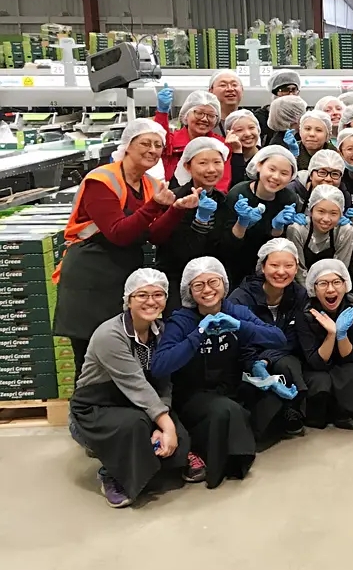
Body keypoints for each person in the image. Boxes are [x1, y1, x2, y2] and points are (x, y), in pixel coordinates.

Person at [151, 258, 294, 488]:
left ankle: (234, 437)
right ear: (189, 291)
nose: (207, 290)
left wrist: (240, 327)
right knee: (226, 410)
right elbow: (160, 365)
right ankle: (215, 452)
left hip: (231, 387)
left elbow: (278, 338)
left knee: (271, 400)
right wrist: (197, 335)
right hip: (194, 395)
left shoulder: (235, 311)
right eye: (198, 285)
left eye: (213, 282)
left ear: (224, 283)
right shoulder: (181, 321)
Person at [69, 269, 203, 508]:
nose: (151, 301)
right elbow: (136, 384)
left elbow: (163, 381)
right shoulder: (110, 335)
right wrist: (165, 425)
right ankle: (111, 473)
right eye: (142, 295)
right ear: (128, 299)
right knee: (136, 426)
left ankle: (149, 452)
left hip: (138, 401)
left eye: (158, 295)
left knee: (177, 440)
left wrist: (165, 418)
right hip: (97, 405)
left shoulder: (162, 332)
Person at [54, 119, 179, 374]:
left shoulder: (150, 185)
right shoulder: (101, 180)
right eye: (145, 143)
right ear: (128, 146)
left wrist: (177, 211)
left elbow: (153, 235)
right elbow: (117, 233)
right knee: (91, 357)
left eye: (158, 145)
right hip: (91, 272)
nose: (152, 150)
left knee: (124, 350)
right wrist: (155, 206)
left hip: (124, 272)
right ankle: (86, 412)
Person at [228, 239, 309, 437]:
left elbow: (292, 339)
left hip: (281, 356)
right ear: (262, 267)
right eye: (274, 265)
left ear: (296, 267)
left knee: (288, 363)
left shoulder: (299, 295)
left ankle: (293, 409)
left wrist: (266, 360)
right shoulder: (240, 297)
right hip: (245, 361)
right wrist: (255, 363)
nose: (281, 271)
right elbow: (239, 340)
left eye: (288, 265)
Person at [149, 137, 229, 314]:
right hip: (176, 281)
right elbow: (177, 252)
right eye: (203, 163)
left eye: (217, 162)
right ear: (187, 167)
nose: (211, 169)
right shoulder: (174, 199)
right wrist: (200, 221)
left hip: (212, 285)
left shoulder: (224, 201)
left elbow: (224, 248)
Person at [297, 260, 353, 430]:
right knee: (320, 381)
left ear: (346, 285)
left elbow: (352, 356)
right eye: (323, 283)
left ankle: (347, 413)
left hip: (346, 362)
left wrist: (341, 334)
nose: (330, 289)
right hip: (317, 367)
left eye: (337, 282)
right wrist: (331, 334)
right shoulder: (305, 313)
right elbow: (316, 362)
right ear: (313, 288)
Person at [217, 145, 302, 288]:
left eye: (284, 173)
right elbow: (226, 248)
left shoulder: (289, 199)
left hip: (269, 267)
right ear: (259, 166)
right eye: (272, 169)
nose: (276, 177)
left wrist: (277, 227)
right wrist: (242, 223)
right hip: (234, 265)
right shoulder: (238, 194)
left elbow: (276, 247)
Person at [154, 89, 232, 193]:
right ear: (186, 115)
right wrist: (162, 113)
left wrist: (215, 199)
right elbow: (158, 138)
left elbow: (223, 180)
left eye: (211, 115)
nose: (204, 119)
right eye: (199, 113)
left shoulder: (221, 145)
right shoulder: (171, 141)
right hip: (171, 199)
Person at [283, 183, 353, 287]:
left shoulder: (344, 230)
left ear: (341, 214)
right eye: (321, 211)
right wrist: (312, 291)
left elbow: (341, 268)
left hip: (332, 287)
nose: (326, 219)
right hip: (301, 287)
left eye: (333, 213)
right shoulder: (297, 229)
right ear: (311, 211)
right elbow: (298, 270)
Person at [255, 69, 301, 144]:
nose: (290, 94)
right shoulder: (259, 118)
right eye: (285, 90)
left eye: (294, 90)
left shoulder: (302, 119)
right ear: (274, 92)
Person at [223, 108, 262, 186]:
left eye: (251, 128)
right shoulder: (223, 159)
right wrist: (237, 152)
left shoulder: (267, 157)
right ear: (229, 134)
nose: (247, 134)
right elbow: (236, 187)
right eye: (239, 130)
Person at [209, 70, 244, 136]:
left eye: (234, 85)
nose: (230, 89)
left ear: (242, 90)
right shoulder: (206, 124)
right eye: (223, 85)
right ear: (211, 91)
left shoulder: (250, 121)